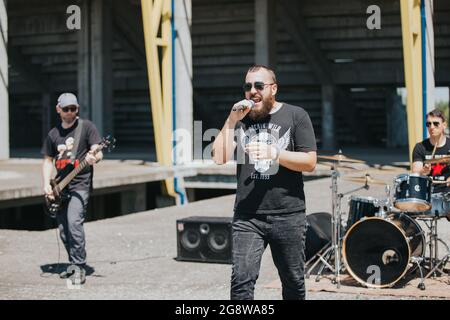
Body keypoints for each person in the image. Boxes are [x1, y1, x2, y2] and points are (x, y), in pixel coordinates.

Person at [212, 65, 317, 300]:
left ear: (273, 89)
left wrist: (275, 153)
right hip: (248, 216)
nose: (252, 91)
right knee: (241, 283)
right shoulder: (240, 119)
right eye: (247, 86)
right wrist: (230, 120)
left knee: (293, 281)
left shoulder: (296, 115)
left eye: (259, 85)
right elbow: (218, 157)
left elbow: (310, 162)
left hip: (288, 214)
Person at [41, 93, 103, 285]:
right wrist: (46, 184)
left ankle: (80, 267)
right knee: (63, 230)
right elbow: (48, 161)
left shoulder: (86, 127)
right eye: (66, 109)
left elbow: (97, 150)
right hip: (60, 187)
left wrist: (95, 158)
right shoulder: (53, 134)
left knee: (74, 223)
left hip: (80, 184)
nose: (70, 112)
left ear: (77, 109)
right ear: (58, 109)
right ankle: (72, 264)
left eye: (73, 108)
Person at [412, 109, 450, 192]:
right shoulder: (420, 147)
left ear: (444, 125)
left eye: (436, 124)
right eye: (428, 124)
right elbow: (415, 172)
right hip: (426, 193)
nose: (431, 127)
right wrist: (423, 171)